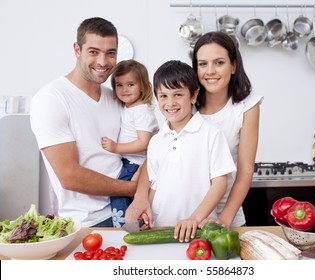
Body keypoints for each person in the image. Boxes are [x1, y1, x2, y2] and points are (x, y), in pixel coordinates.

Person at [126, 31, 263, 229]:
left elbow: (245, 170)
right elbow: (158, 157)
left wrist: (224, 219)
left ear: (233, 66)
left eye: (219, 62)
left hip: (224, 211)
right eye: (203, 64)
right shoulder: (182, 104)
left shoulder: (246, 106)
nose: (210, 71)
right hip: (179, 218)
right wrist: (141, 198)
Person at [30, 17, 137, 227]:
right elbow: (70, 176)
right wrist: (133, 189)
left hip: (131, 210)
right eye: (93, 52)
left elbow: (138, 149)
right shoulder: (51, 98)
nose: (103, 62)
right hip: (90, 222)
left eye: (111, 53)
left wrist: (141, 196)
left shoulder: (116, 97)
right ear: (77, 50)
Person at [147, 60, 236, 241]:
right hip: (161, 228)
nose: (170, 102)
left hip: (199, 229)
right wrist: (147, 212)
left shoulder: (211, 134)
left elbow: (220, 184)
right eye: (163, 96)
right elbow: (155, 185)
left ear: (193, 96)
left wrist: (195, 218)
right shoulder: (155, 141)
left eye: (178, 94)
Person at [101, 59, 159, 227]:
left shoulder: (141, 111)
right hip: (130, 162)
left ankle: (125, 228)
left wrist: (116, 147)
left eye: (130, 84)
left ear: (143, 86)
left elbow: (144, 142)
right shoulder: (129, 107)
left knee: (118, 194)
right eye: (119, 85)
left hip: (136, 163)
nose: (124, 89)